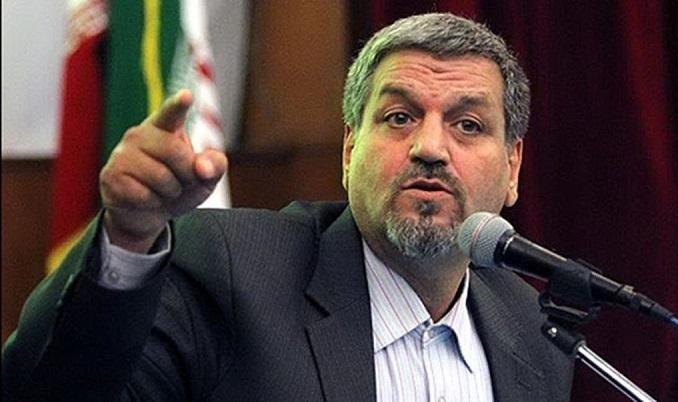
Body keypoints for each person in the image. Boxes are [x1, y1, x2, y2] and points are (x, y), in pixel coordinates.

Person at [3, 13, 574, 401]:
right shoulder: (230, 272)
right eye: (399, 117)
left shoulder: (532, 330)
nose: (429, 147)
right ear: (349, 150)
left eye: (467, 125)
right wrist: (128, 239)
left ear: (512, 168)